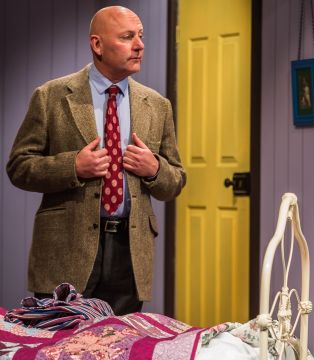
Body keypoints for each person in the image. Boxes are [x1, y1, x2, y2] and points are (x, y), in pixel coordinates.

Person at [6, 6, 186, 315]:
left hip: (130, 253)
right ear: (97, 44)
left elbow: (176, 180)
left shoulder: (157, 105)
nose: (140, 45)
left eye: (141, 36)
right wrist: (72, 166)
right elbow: (19, 166)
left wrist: (155, 169)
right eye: (128, 37)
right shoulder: (51, 96)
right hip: (65, 249)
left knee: (121, 346)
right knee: (61, 347)